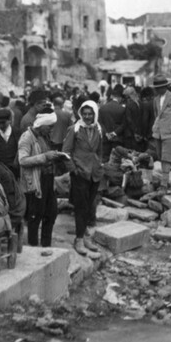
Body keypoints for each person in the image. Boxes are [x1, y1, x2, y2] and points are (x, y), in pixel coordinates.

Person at [18, 109, 66, 249]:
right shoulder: (27, 137)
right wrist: (45, 157)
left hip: (48, 179)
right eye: (50, 127)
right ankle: (33, 247)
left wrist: (55, 157)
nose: (51, 130)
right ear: (42, 124)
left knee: (50, 213)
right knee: (35, 215)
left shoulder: (43, 136)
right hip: (36, 181)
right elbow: (23, 160)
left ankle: (46, 245)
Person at [63, 101, 103, 258]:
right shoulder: (75, 129)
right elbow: (66, 152)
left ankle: (86, 238)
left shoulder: (98, 129)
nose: (87, 117)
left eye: (90, 114)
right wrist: (74, 170)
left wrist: (100, 164)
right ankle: (78, 239)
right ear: (81, 114)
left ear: (94, 114)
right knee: (80, 207)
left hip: (94, 173)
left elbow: (100, 150)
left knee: (89, 206)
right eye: (84, 113)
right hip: (80, 173)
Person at [99, 84, 126, 162]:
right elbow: (123, 125)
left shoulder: (102, 108)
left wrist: (106, 133)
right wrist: (114, 133)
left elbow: (100, 123)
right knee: (116, 160)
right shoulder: (122, 109)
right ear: (120, 98)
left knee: (104, 159)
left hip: (105, 138)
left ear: (111, 96)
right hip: (117, 139)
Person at [118, 86, 143, 151]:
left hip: (130, 134)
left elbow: (129, 120)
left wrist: (135, 132)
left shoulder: (129, 105)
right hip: (140, 134)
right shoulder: (140, 103)